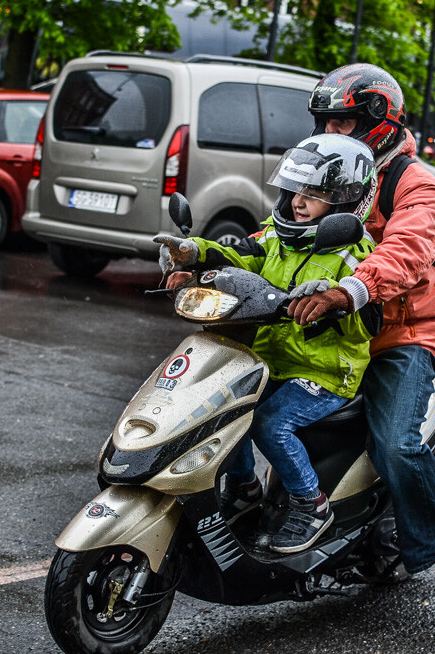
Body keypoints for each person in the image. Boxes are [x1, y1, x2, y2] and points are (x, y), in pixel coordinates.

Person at [291, 63, 435, 625]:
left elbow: (407, 248)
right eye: (325, 121)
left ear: (377, 123)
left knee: (396, 445)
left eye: (343, 122)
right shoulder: (329, 168)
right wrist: (211, 258)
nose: (330, 132)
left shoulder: (413, 181)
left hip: (405, 332)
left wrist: (351, 288)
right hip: (342, 325)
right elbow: (279, 226)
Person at [155, 133, 378, 554]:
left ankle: (311, 504)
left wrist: (335, 299)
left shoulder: (353, 254)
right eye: (295, 190)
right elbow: (237, 256)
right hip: (271, 361)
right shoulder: (277, 236)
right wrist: (192, 252)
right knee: (223, 409)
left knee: (268, 422)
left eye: (314, 195)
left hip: (324, 372)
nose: (298, 202)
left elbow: (366, 322)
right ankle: (243, 488)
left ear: (345, 202)